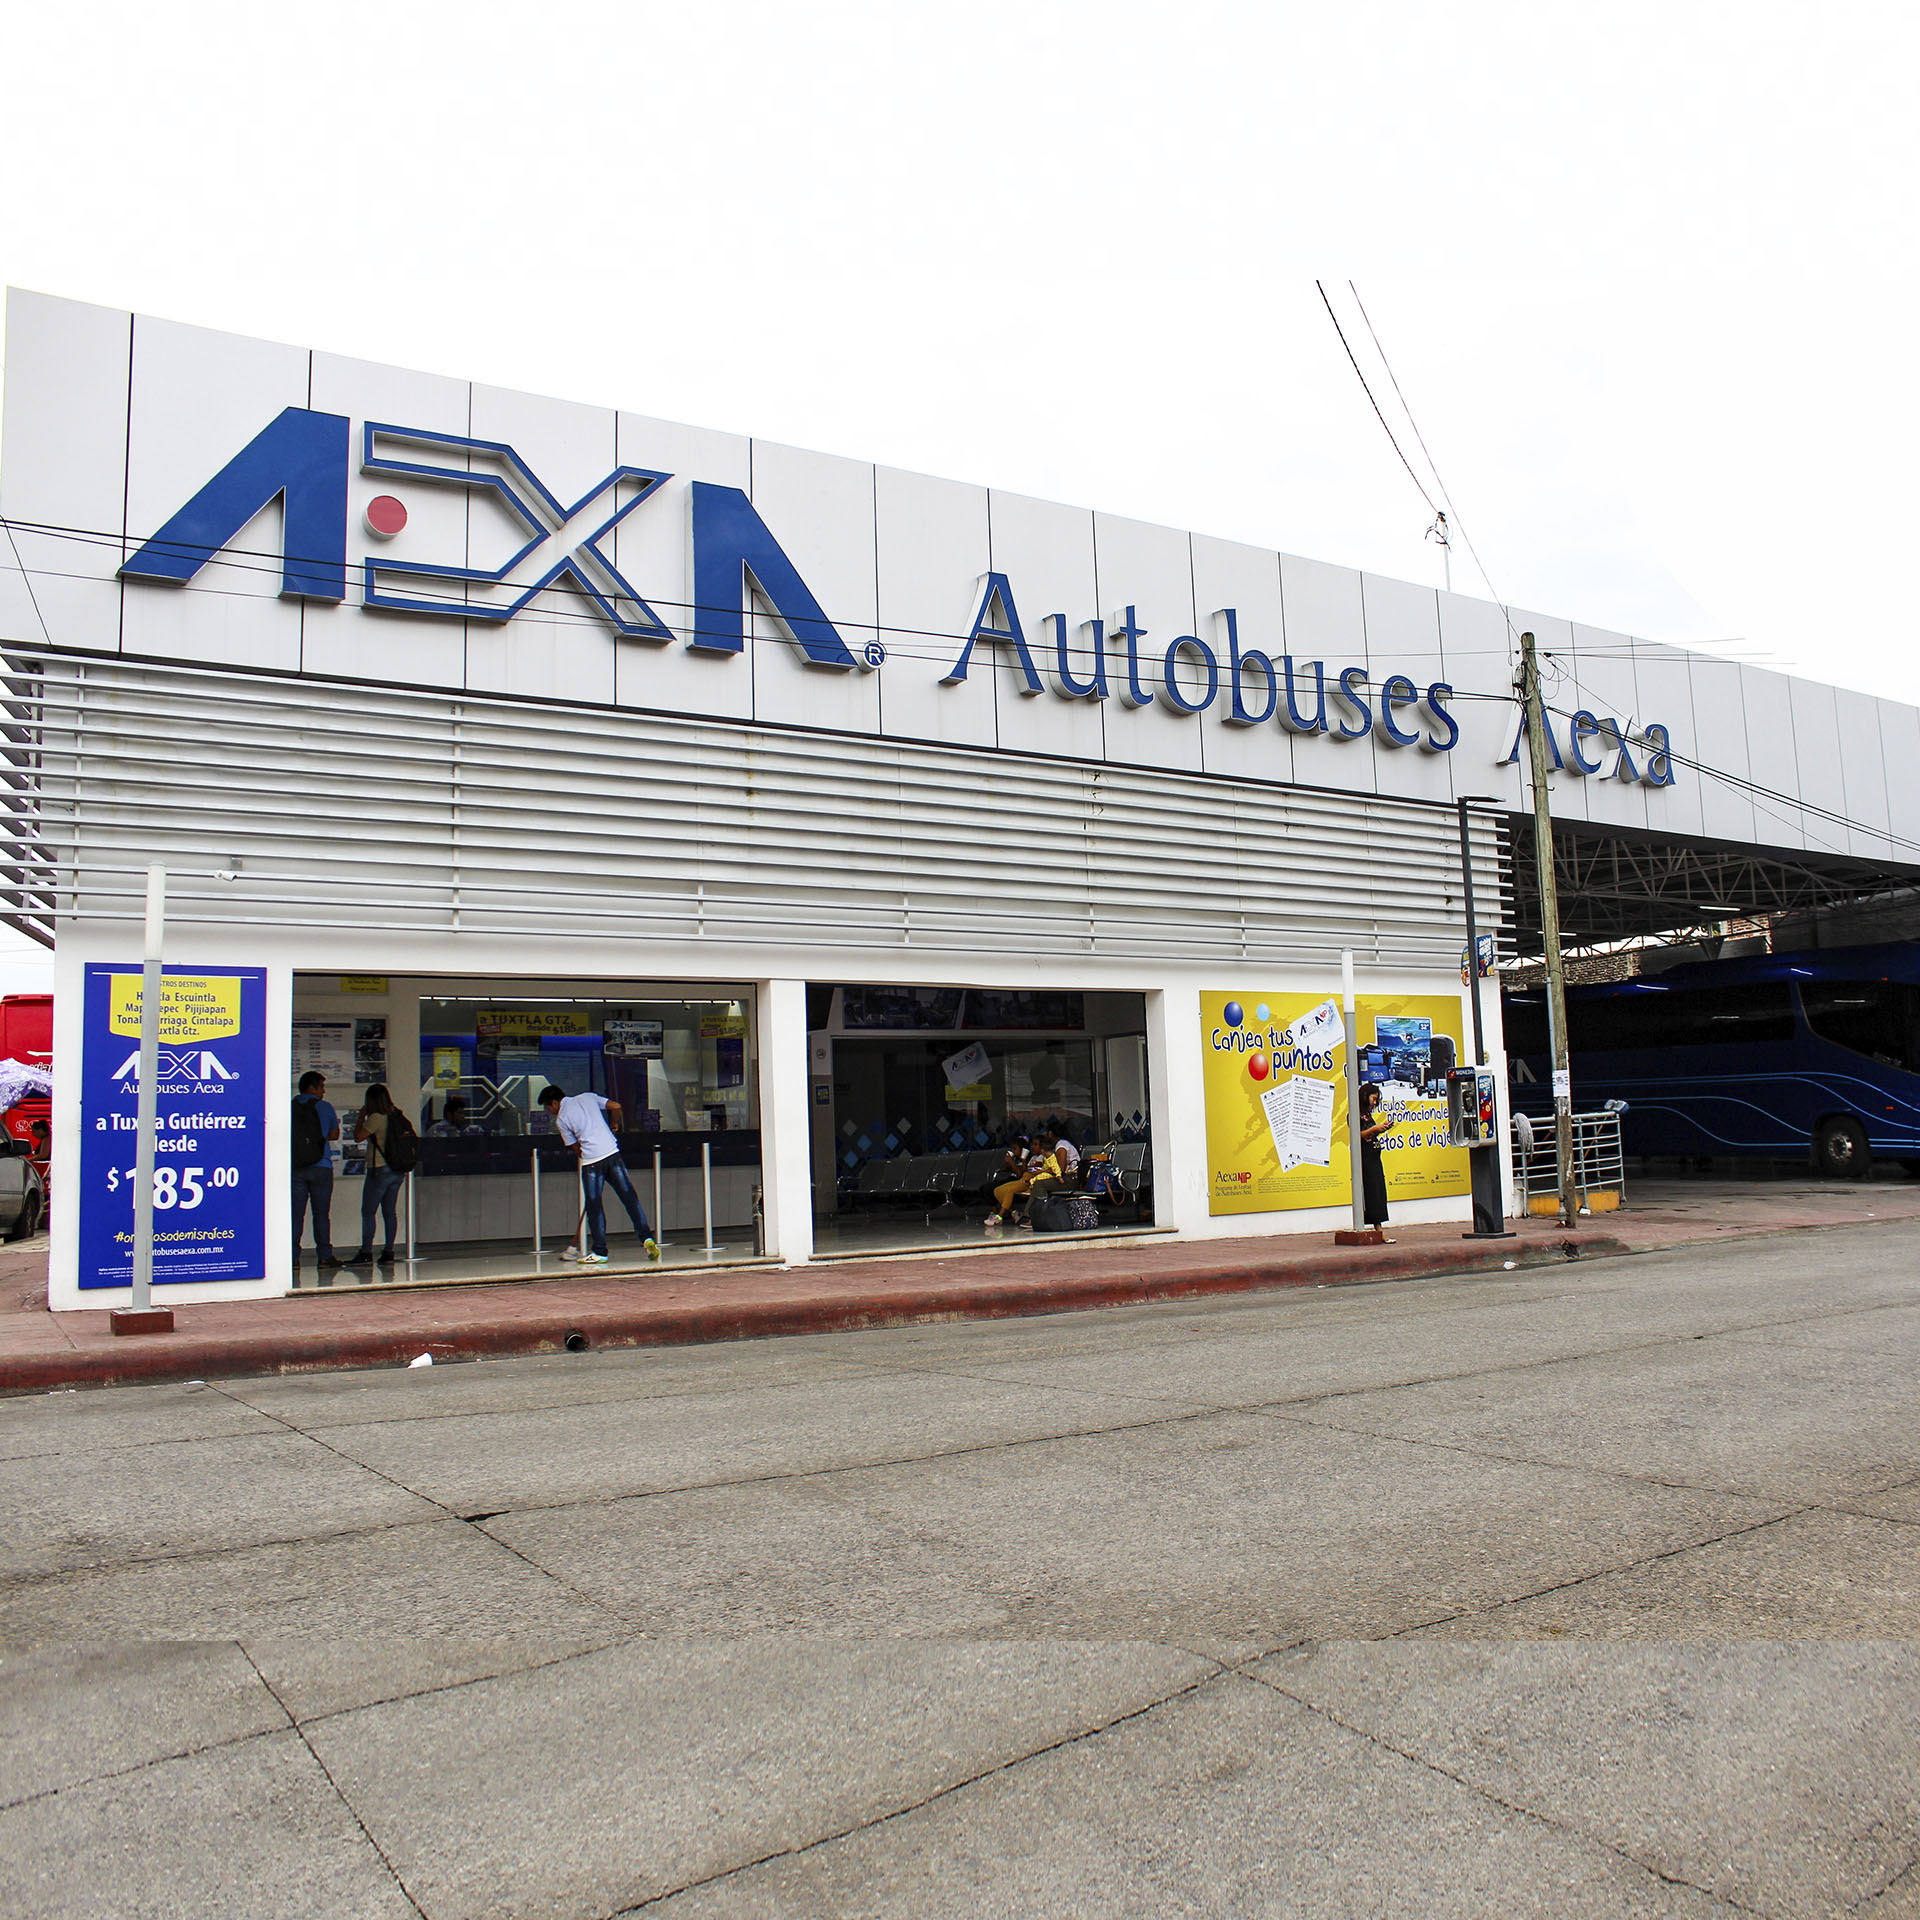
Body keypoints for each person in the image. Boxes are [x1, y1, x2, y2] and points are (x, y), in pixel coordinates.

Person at [538, 1085, 658, 1264]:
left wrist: (586, 1154)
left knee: (594, 1208)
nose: (549, 1112)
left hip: (592, 1163)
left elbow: (577, 1149)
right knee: (630, 1199)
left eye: (548, 1107)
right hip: (613, 1154)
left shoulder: (562, 1119)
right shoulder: (588, 1097)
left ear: (554, 1103)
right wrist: (614, 1124)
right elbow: (616, 1106)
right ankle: (646, 1238)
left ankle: (600, 1252)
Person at [291, 1070, 341, 1273]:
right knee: (321, 1214)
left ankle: (292, 1259)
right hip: (321, 1167)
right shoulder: (324, 1107)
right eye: (322, 1087)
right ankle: (324, 1257)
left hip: (296, 1167)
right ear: (312, 1087)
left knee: (295, 1215)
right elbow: (334, 1134)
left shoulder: (290, 1106)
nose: (324, 1091)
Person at [348, 1084, 403, 1265]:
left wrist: (361, 1116)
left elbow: (358, 1136)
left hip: (379, 1169)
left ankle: (366, 1251)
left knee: (368, 1211)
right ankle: (389, 1251)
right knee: (390, 1212)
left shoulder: (376, 1118)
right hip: (396, 1170)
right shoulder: (396, 1114)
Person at [1357, 1081, 1394, 1231]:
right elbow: (1357, 1135)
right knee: (1372, 1192)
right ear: (1365, 1097)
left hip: (1374, 1156)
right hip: (1366, 1158)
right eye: (1373, 1099)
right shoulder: (1355, 1115)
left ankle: (1379, 1227)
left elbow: (1369, 1134)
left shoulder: (1368, 1116)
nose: (1375, 1103)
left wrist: (1380, 1129)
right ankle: (1377, 1228)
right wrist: (1374, 1129)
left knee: (1379, 1191)